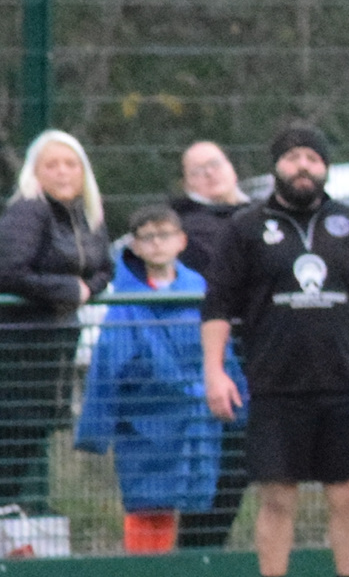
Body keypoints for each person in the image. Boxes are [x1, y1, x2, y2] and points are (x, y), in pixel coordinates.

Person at [203, 123, 349, 577]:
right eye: (293, 157)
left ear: (325, 166)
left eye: (312, 159)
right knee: (277, 498)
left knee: (347, 496)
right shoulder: (246, 228)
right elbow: (218, 306)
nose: (303, 167)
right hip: (274, 383)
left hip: (343, 381)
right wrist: (214, 370)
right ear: (277, 165)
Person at [75, 206, 243, 551]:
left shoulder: (202, 291)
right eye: (146, 237)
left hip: (198, 419)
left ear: (181, 241)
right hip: (144, 420)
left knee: (203, 506)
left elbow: (223, 353)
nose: (156, 244)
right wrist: (95, 431)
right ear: (134, 246)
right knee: (148, 506)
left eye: (163, 234)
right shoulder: (122, 301)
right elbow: (107, 368)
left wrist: (242, 406)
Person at [0, 132, 114, 513]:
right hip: (20, 348)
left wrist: (85, 289)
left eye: (71, 164)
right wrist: (67, 289)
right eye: (52, 164)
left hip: (59, 345)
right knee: (14, 432)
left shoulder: (88, 214)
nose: (63, 172)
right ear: (35, 172)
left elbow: (105, 269)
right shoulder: (28, 211)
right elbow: (9, 271)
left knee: (33, 434)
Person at [173, 142, 254, 548]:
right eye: (197, 169)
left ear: (232, 167)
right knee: (205, 466)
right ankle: (193, 556)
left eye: (215, 164)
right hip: (209, 360)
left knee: (243, 465)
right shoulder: (183, 225)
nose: (209, 173)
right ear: (187, 182)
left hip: (262, 356)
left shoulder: (263, 213)